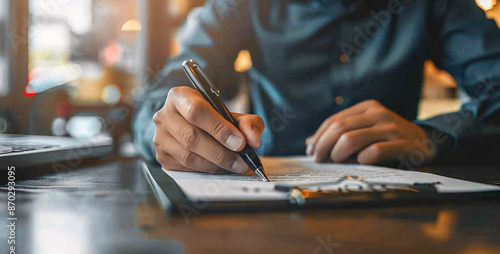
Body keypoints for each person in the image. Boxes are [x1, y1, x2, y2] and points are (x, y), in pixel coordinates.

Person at [134, 0, 500, 174]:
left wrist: (433, 138)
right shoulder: (238, 6)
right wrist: (166, 125)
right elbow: (158, 100)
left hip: (399, 206)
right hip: (265, 204)